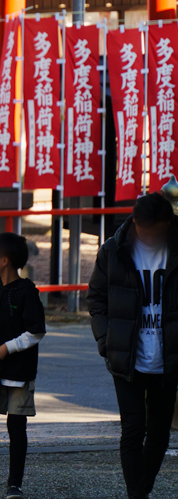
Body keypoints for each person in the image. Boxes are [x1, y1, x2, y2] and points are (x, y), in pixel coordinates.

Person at [88, 191, 178, 499]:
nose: (148, 238)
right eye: (143, 231)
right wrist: (106, 340)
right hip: (126, 356)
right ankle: (136, 496)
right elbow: (96, 298)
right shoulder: (114, 250)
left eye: (155, 232)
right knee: (132, 430)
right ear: (134, 222)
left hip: (168, 358)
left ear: (168, 224)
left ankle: (141, 491)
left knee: (159, 435)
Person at [0, 232, 46, 499]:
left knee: (17, 429)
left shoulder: (28, 291)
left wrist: (7, 348)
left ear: (4, 260)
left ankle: (14, 483)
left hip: (20, 373)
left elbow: (36, 331)